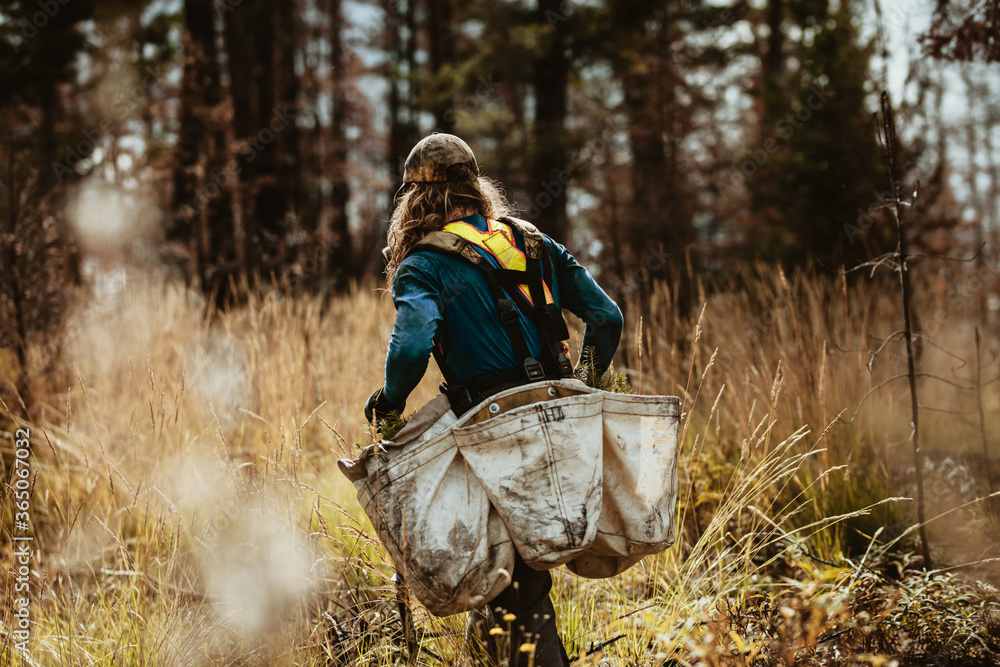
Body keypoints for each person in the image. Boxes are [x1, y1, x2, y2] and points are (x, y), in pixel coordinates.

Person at [365, 133, 623, 667]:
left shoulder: (423, 263)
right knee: (509, 575)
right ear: (475, 189)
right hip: (560, 418)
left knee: (518, 589)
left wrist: (388, 404)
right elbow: (607, 318)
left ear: (416, 200)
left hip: (491, 429)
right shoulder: (534, 242)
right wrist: (584, 386)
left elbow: (413, 342)